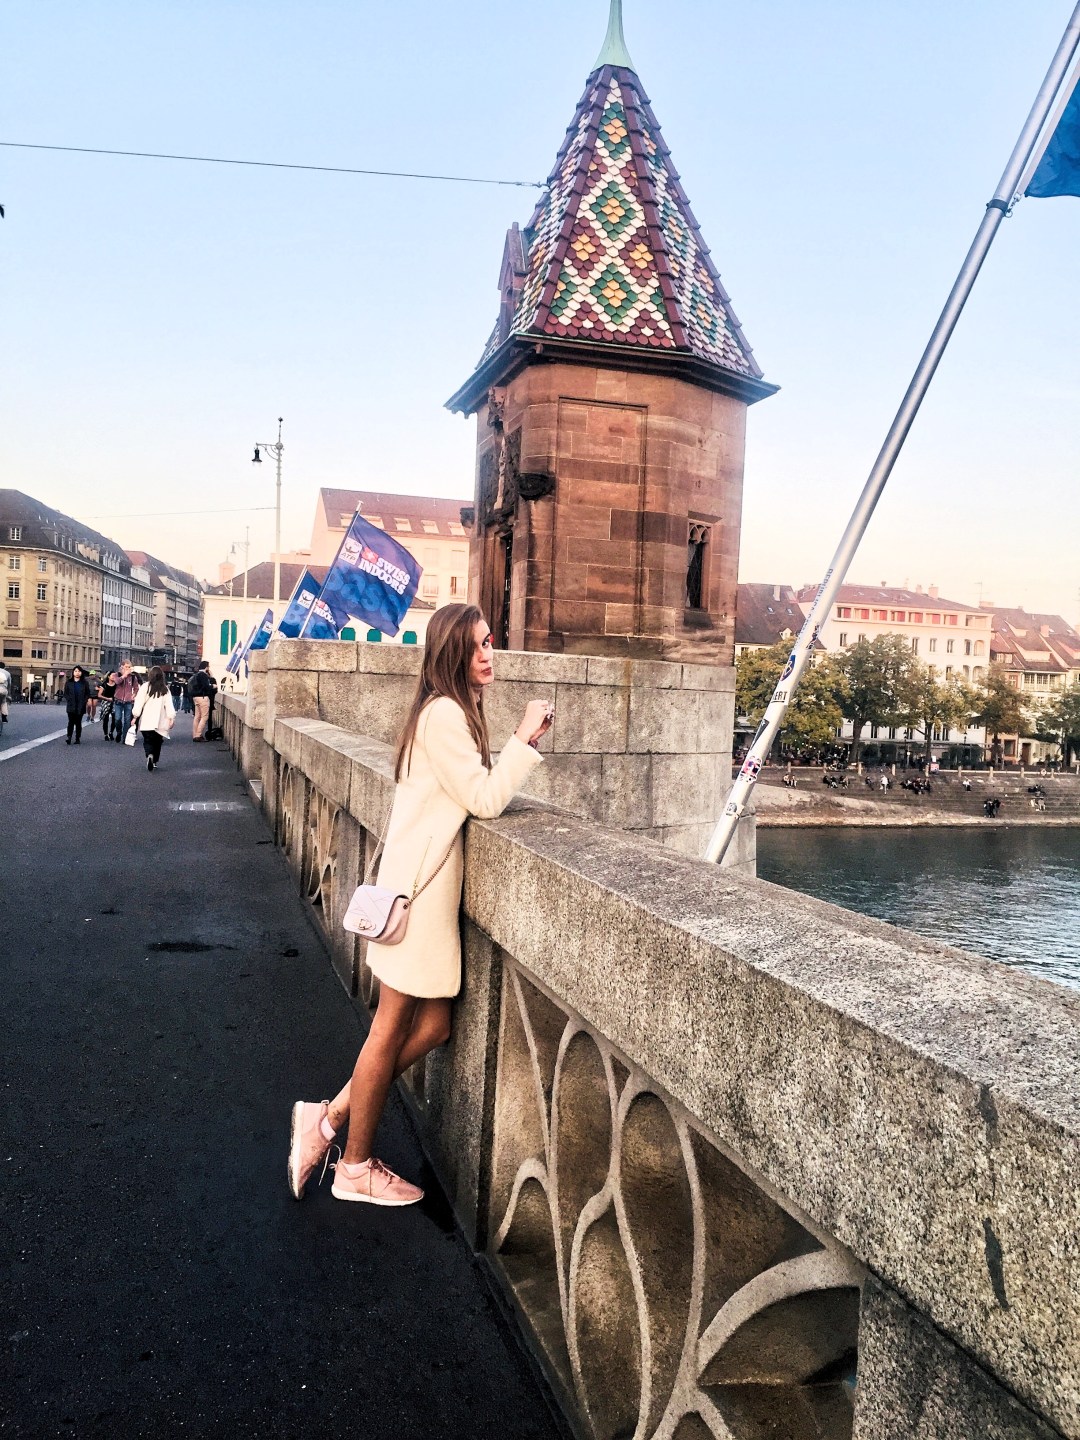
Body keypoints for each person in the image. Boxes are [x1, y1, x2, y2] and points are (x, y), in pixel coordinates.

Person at [287, 604, 554, 1207]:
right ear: (453, 654)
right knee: (392, 1026)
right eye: (479, 646)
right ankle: (352, 1165)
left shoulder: (441, 711)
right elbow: (484, 800)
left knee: (432, 1026)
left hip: (418, 890)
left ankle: (325, 1122)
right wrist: (523, 739)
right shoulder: (443, 717)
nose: (490, 654)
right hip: (419, 898)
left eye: (491, 643)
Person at [131, 666, 176, 772]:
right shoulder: (165, 689)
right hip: (160, 721)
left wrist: (135, 716)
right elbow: (169, 705)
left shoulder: (145, 687)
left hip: (147, 720)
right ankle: (154, 760)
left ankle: (149, 755)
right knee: (158, 742)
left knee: (148, 740)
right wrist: (171, 718)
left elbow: (139, 703)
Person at [112, 662, 140, 744]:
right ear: (122, 667)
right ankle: (119, 732)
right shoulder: (116, 674)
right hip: (118, 700)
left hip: (128, 701)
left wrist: (134, 695)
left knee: (127, 720)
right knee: (117, 719)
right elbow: (117, 682)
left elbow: (136, 688)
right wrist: (124, 676)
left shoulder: (133, 677)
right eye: (126, 667)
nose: (128, 669)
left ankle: (125, 738)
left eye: (129, 667)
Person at [63, 665, 91, 744]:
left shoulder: (84, 683)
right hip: (71, 705)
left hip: (81, 705)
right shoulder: (69, 682)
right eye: (75, 671)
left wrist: (85, 700)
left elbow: (87, 693)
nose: (77, 673)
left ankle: (77, 738)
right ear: (73, 672)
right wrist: (69, 699)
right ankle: (69, 737)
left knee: (78, 722)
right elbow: (66, 693)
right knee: (71, 722)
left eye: (79, 671)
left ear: (81, 673)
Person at [189, 660, 215, 741]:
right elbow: (206, 686)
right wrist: (213, 686)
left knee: (197, 717)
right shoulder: (203, 675)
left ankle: (194, 734)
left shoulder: (196, 675)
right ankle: (198, 735)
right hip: (203, 697)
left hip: (195, 697)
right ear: (206, 667)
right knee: (204, 717)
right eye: (208, 666)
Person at [97, 672, 117, 740]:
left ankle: (111, 732)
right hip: (105, 702)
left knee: (115, 719)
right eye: (112, 675)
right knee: (106, 719)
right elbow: (99, 695)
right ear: (108, 676)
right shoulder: (104, 684)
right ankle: (106, 734)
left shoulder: (117, 685)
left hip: (114, 703)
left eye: (115, 675)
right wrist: (107, 698)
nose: (113, 677)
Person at [0, 662, 11, 728]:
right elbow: (9, 685)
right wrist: (9, 695)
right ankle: (4, 716)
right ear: (4, 667)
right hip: (3, 691)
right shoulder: (7, 673)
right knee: (3, 702)